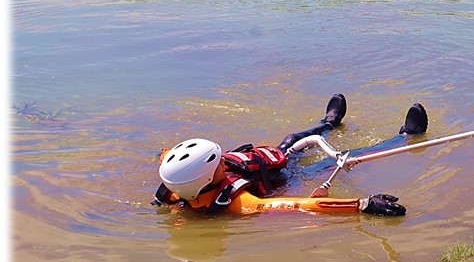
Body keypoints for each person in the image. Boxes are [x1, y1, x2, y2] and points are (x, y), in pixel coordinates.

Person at [153, 93, 428, 217]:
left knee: (291, 141)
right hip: (286, 179)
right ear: (203, 180)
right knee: (342, 157)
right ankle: (406, 136)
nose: (223, 160)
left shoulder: (178, 183)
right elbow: (300, 206)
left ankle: (329, 123)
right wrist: (363, 205)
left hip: (263, 166)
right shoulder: (240, 202)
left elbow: (167, 157)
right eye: (217, 164)